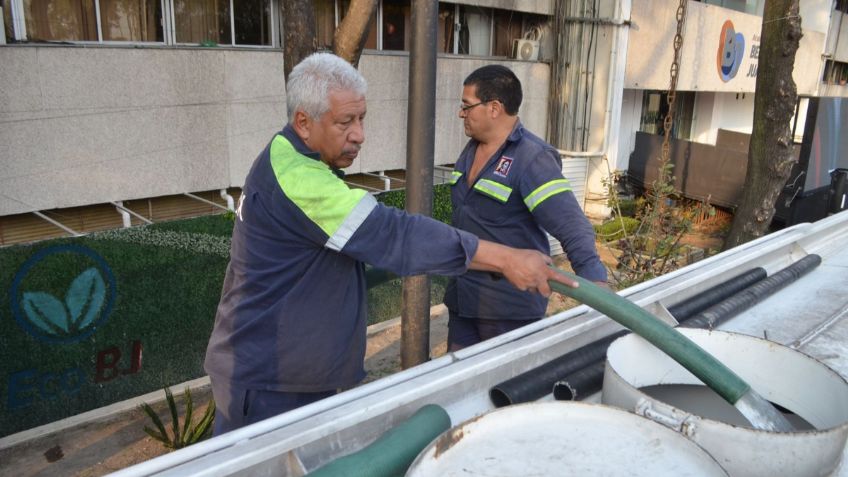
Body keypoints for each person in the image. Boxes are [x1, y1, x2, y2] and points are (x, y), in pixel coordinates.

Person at [204, 53, 574, 435]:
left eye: (362, 118)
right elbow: (395, 235)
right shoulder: (301, 180)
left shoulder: (288, 154)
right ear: (303, 121)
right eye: (345, 122)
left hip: (286, 374)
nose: (359, 134)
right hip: (271, 383)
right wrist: (507, 259)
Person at [445, 65, 608, 351]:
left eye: (467, 106)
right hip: (464, 299)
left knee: (504, 390)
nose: (461, 113)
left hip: (509, 310)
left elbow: (571, 226)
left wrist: (595, 284)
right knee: (458, 387)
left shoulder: (531, 159)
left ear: (494, 108)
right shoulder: (471, 150)